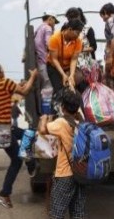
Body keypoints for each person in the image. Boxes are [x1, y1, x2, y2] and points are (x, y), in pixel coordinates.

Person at [0, 59, 37, 209]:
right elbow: (24, 92)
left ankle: (30, 164)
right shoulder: (5, 83)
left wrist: (24, 83)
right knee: (17, 160)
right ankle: (4, 193)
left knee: (29, 133)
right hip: (4, 130)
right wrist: (33, 77)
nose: (3, 69)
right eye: (1, 68)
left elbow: (17, 89)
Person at [38, 87, 86, 219]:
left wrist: (44, 118)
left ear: (63, 107)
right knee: (78, 213)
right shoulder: (81, 122)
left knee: (56, 214)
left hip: (65, 174)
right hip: (80, 173)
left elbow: (43, 130)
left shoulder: (61, 123)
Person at [46, 19, 83, 95]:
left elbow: (74, 59)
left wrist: (71, 75)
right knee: (59, 89)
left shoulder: (78, 41)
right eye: (77, 33)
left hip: (68, 67)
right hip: (54, 67)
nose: (78, 36)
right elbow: (54, 59)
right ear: (70, 29)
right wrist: (63, 75)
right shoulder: (55, 38)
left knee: (77, 85)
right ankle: (58, 104)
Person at [34, 11, 58, 90]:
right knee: (49, 88)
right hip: (45, 62)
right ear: (50, 19)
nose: (55, 24)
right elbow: (49, 44)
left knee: (44, 87)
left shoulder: (39, 28)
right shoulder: (48, 28)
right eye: (55, 21)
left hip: (39, 62)